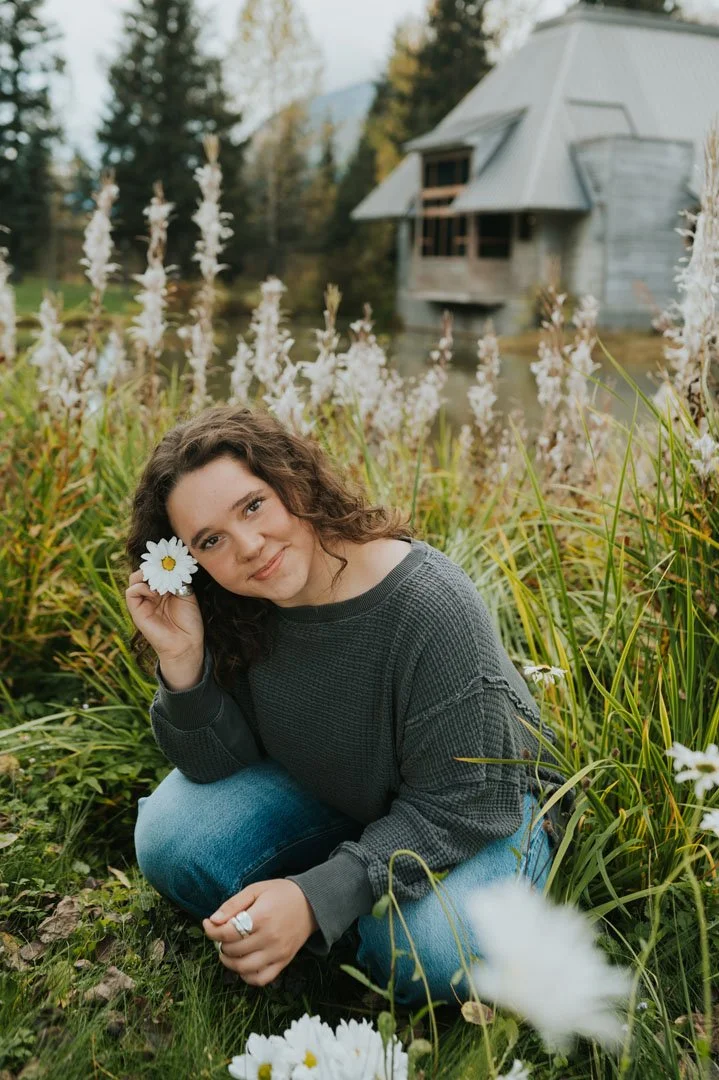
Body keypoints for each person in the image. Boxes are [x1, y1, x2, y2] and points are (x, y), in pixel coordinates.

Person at [125, 404, 573, 1007]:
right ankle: (346, 910)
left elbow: (465, 803)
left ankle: (347, 927)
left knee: (423, 954)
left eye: (252, 505)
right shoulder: (242, 605)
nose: (250, 547)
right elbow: (213, 769)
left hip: (488, 808)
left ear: (291, 481)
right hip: (355, 793)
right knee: (172, 837)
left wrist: (316, 897)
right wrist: (184, 664)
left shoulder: (427, 605)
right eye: (211, 541)